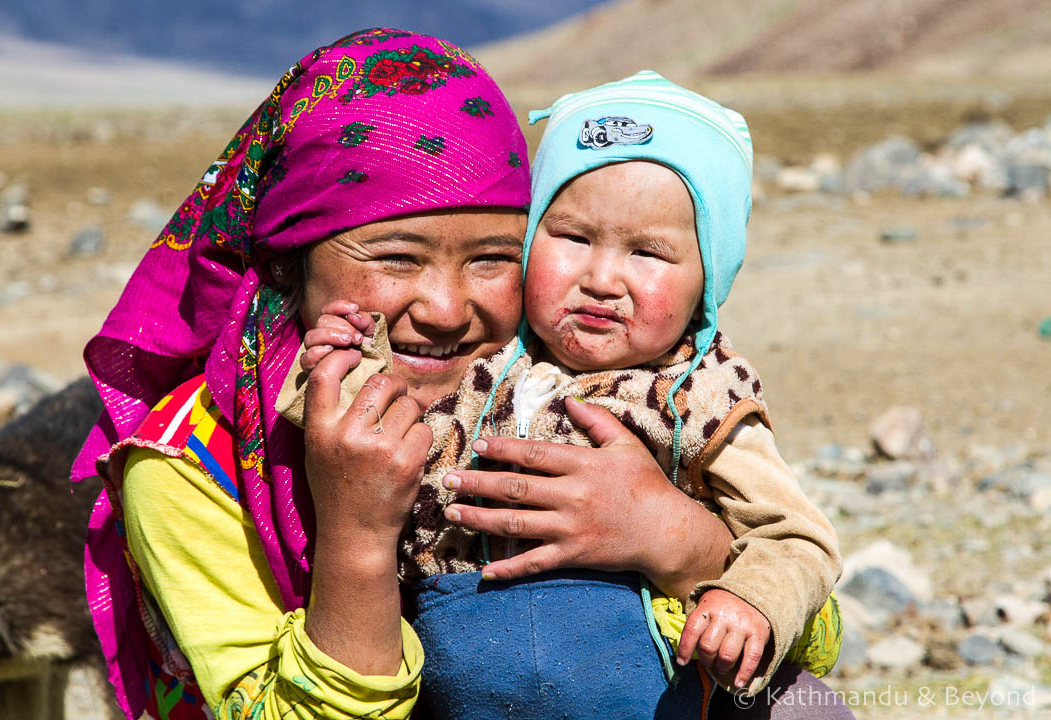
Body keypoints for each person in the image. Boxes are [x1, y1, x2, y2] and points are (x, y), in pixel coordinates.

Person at [73, 32, 743, 720]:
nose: (447, 311)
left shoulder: (566, 386)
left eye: (491, 259)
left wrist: (683, 542)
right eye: (395, 257)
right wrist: (358, 536)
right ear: (286, 264)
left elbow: (809, 640)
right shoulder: (187, 467)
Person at [296, 72, 850, 720]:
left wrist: (749, 600)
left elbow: (797, 538)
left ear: (709, 279)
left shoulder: (701, 398)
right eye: (574, 238)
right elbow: (363, 434)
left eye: (649, 252)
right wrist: (346, 361)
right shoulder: (478, 358)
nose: (602, 278)